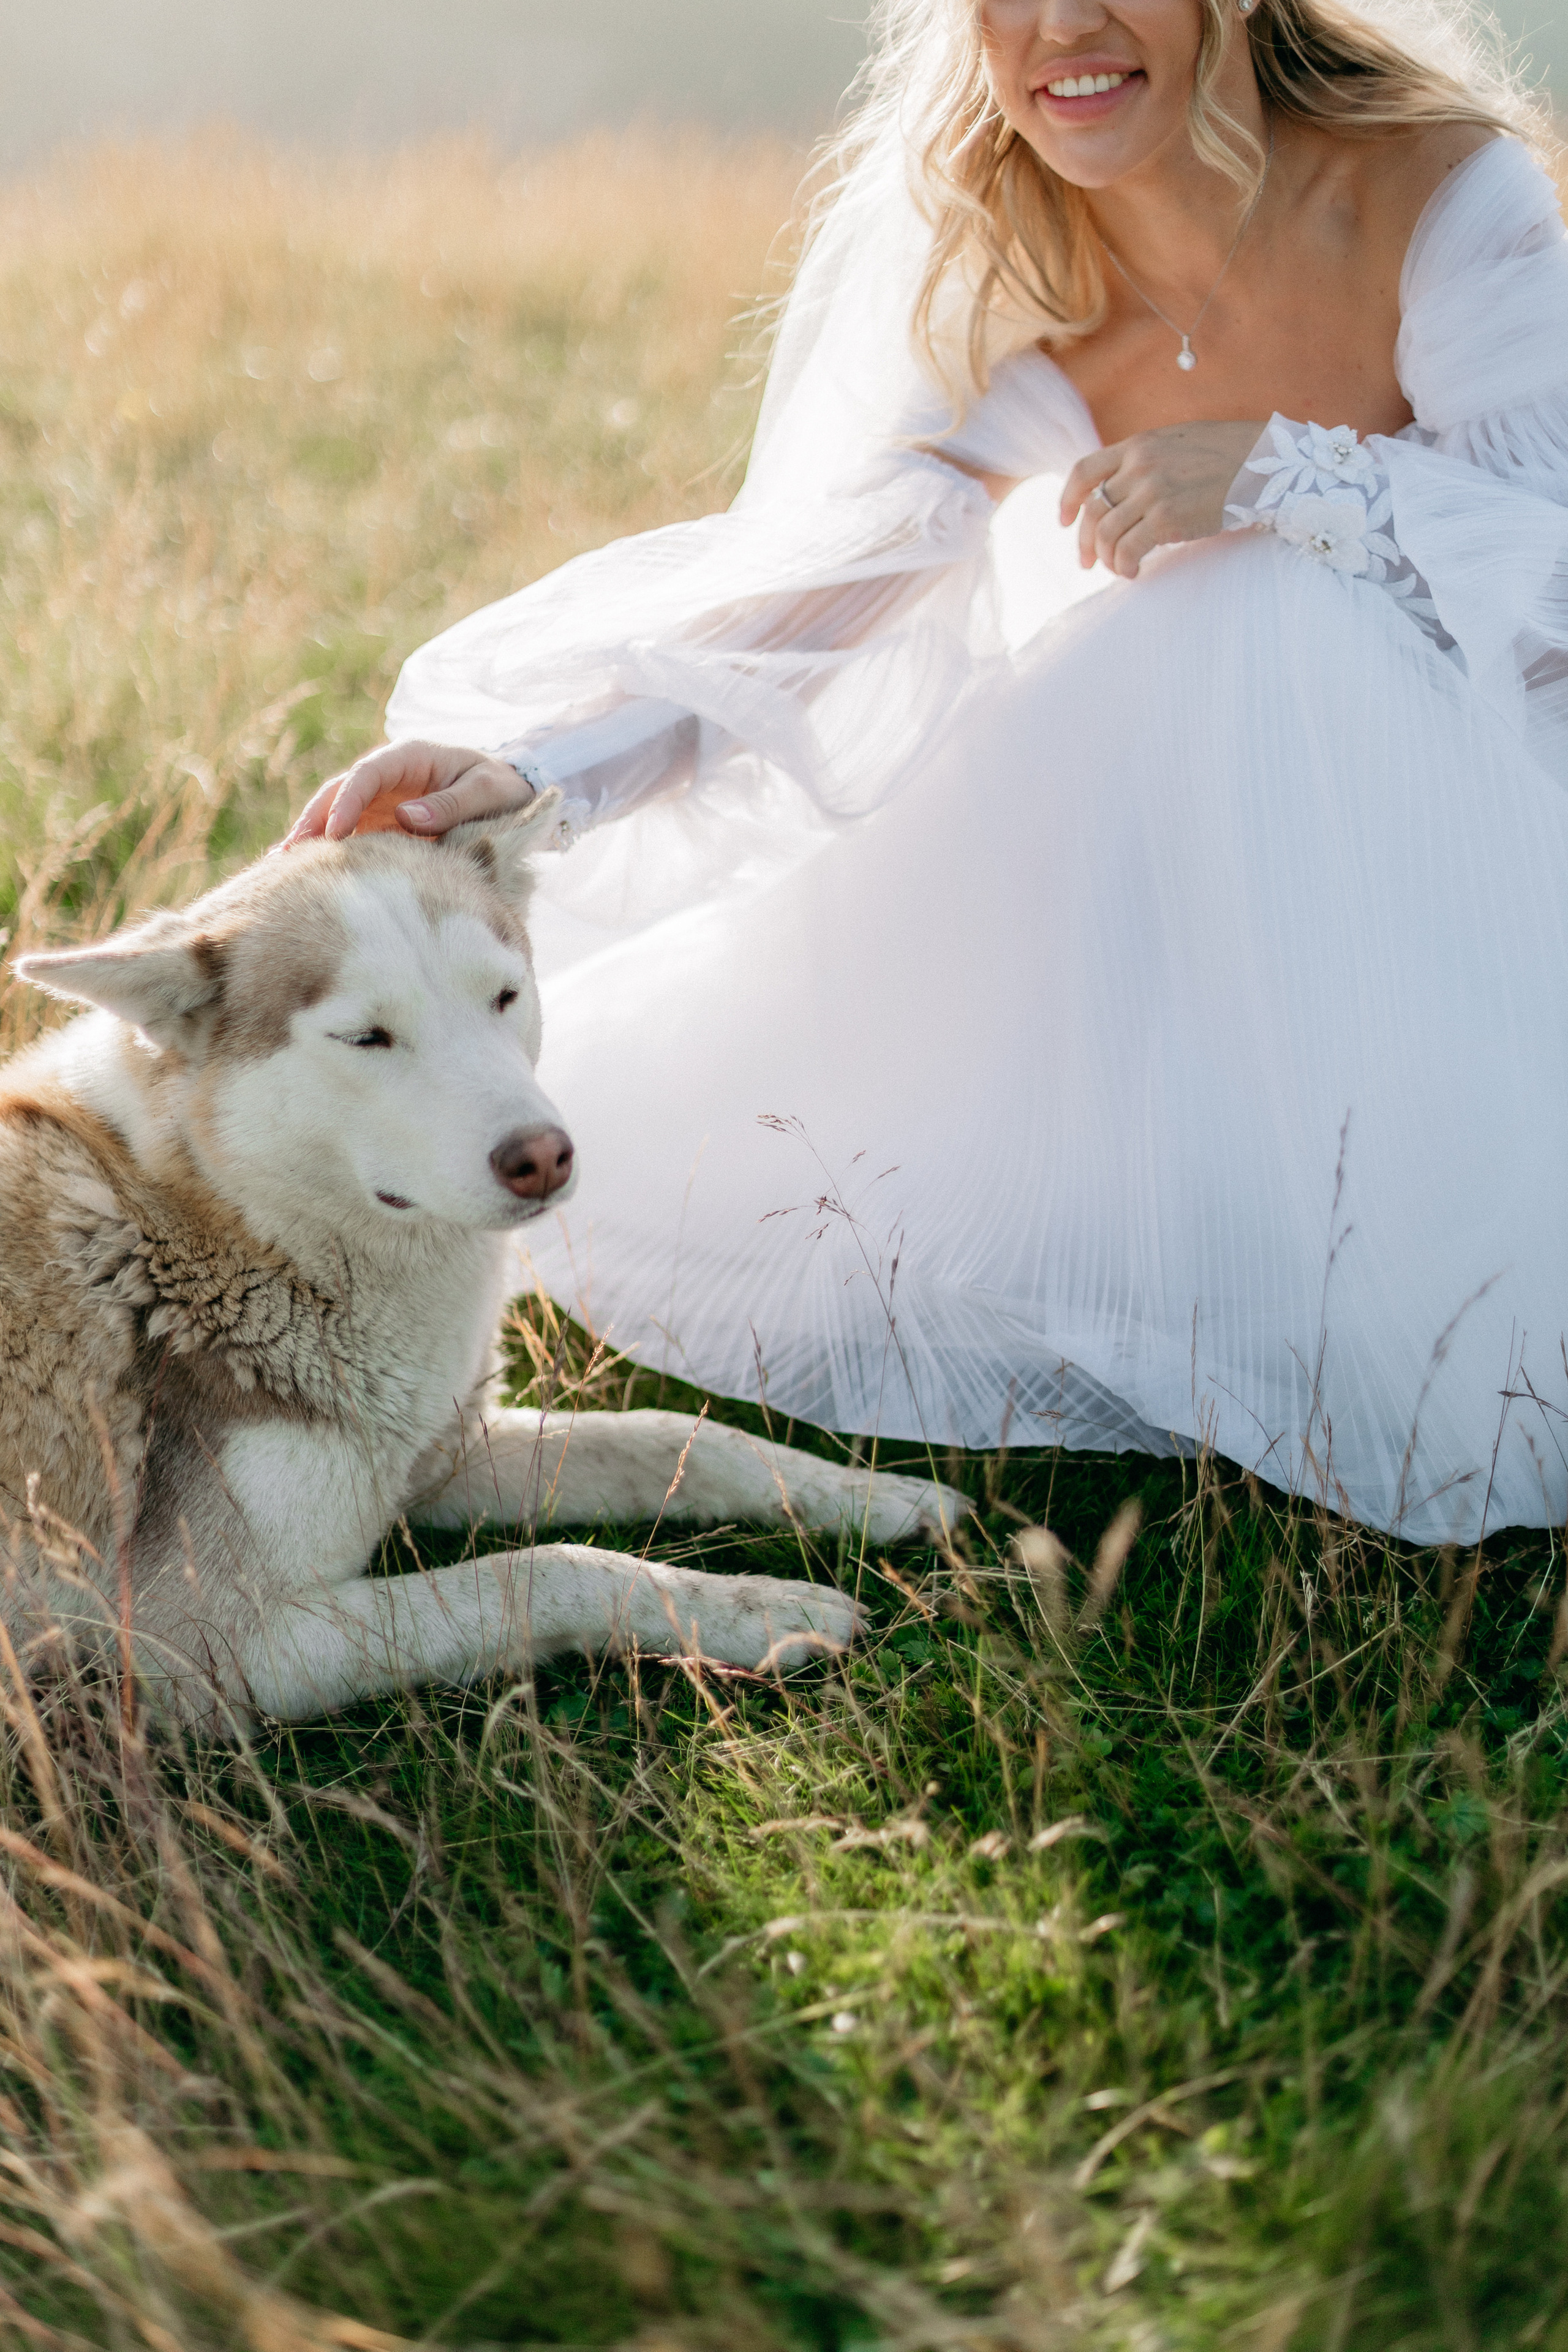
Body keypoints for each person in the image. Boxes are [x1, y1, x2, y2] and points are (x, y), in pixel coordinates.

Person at [283, 0, 1568, 1543]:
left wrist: (1282, 474)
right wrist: (538, 771)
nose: (1062, 27)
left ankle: (1417, 1232)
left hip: (1498, 809)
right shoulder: (1007, 256)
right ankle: (1215, 1235)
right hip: (1229, 851)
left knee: (1252, 600)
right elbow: (825, 606)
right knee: (1180, 638)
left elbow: (1548, 570)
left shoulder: (1430, 185)